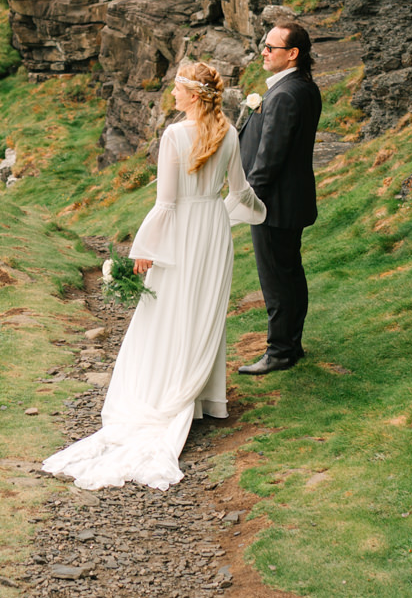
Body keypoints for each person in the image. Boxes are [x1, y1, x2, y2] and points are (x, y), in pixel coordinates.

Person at [42, 62, 266, 490]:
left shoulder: (175, 136)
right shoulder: (230, 134)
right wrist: (258, 212)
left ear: (194, 95)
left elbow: (165, 203)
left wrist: (143, 249)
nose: (173, 95)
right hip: (212, 231)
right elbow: (239, 193)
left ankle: (169, 394)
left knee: (169, 313)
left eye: (179, 89)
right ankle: (202, 400)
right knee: (202, 312)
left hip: (181, 230)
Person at [235, 21, 322, 375]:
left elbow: (270, 157)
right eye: (264, 45)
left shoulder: (285, 94)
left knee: (276, 280)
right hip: (290, 200)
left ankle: (280, 351)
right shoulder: (303, 86)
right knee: (289, 274)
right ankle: (292, 344)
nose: (264, 51)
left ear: (293, 54)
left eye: (271, 47)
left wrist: (249, 200)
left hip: (274, 206)